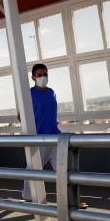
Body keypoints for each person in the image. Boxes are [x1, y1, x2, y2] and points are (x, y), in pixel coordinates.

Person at [20, 64, 89, 208]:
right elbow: (21, 116)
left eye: (45, 74)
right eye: (39, 75)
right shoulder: (29, 94)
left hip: (55, 137)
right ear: (33, 77)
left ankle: (71, 200)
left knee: (64, 170)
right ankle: (28, 196)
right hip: (39, 138)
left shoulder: (51, 92)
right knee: (33, 169)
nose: (43, 77)